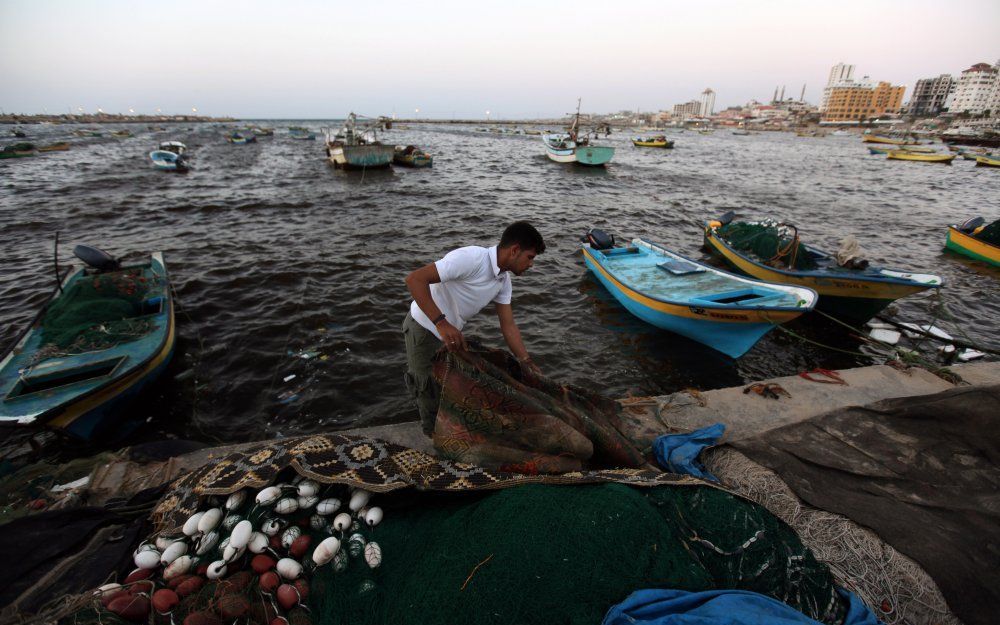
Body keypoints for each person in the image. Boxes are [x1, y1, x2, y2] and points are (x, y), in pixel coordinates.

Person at [403, 221, 545, 436]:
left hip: (448, 334)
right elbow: (415, 279)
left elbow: (508, 325)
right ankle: (433, 443)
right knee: (428, 390)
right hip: (423, 326)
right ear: (515, 250)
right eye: (530, 257)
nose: (531, 264)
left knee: (451, 390)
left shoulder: (502, 281)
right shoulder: (472, 258)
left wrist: (526, 361)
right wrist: (441, 323)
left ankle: (445, 435)